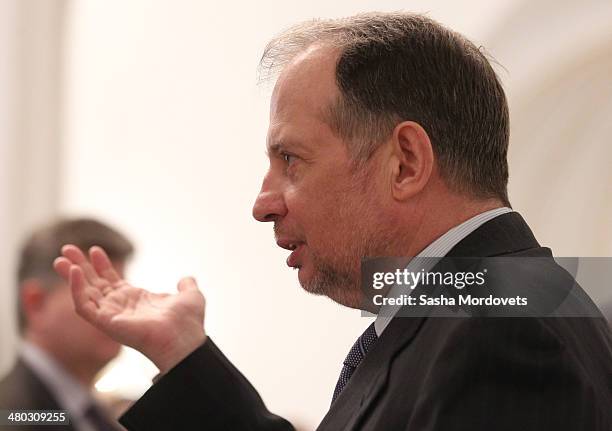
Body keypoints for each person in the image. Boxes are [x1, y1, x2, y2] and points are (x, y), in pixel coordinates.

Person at [53, 13, 612, 431]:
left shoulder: (502, 335)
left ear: (406, 163)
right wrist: (183, 353)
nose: (263, 202)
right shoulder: (488, 302)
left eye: (290, 160)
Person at [0, 218, 133, 431]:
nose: (118, 311)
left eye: (120, 295)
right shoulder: (11, 416)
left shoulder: (98, 414)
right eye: (99, 293)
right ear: (36, 304)